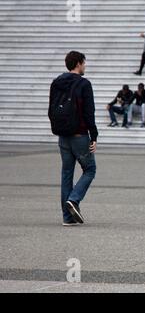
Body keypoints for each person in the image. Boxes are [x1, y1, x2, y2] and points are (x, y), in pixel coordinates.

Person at [49, 51, 97, 226]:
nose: (85, 66)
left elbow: (50, 109)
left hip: (63, 135)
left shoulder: (56, 83)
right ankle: (74, 200)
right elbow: (89, 112)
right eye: (84, 63)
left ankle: (67, 217)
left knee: (66, 174)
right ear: (78, 63)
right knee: (90, 169)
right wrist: (94, 136)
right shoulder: (84, 84)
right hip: (79, 135)